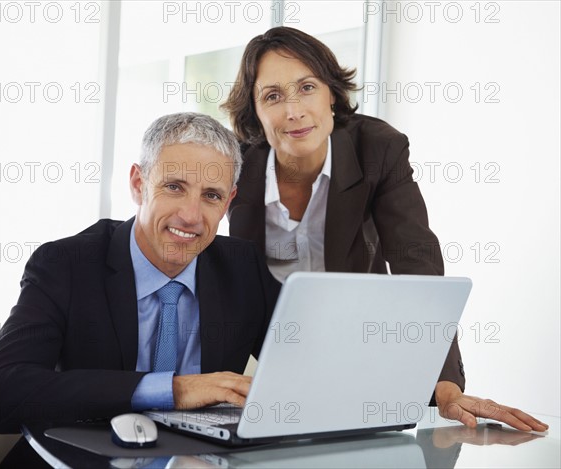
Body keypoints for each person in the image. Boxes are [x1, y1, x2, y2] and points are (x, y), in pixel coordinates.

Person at [222, 26, 547, 432]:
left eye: (306, 87)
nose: (293, 110)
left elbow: (417, 264)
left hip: (360, 352)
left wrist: (445, 386)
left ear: (332, 95)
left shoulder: (377, 148)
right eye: (272, 96)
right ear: (254, 111)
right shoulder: (235, 163)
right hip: (258, 357)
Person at [0, 113, 281, 465]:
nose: (191, 216)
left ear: (228, 203)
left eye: (211, 195)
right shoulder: (66, 264)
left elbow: (306, 368)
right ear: (138, 184)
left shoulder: (243, 268)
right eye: (174, 187)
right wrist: (173, 389)